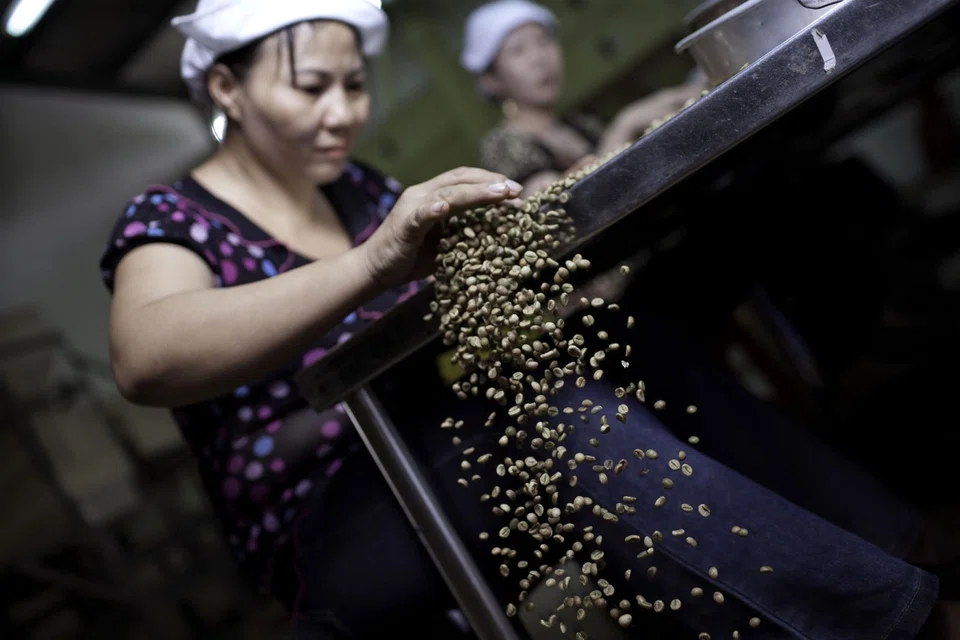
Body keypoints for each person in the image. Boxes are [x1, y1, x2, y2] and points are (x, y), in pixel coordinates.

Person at [99, 1, 946, 638]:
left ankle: (901, 553)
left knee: (632, 345)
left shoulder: (354, 186)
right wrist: (368, 264)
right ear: (225, 88)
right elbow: (147, 356)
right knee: (548, 422)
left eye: (354, 86)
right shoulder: (178, 218)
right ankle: (885, 626)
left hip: (443, 438)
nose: (341, 112)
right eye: (310, 86)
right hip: (326, 526)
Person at [461, 0, 705, 195]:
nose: (539, 58)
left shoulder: (581, 124)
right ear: (491, 81)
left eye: (544, 41)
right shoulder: (502, 146)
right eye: (518, 50)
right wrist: (625, 124)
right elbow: (554, 204)